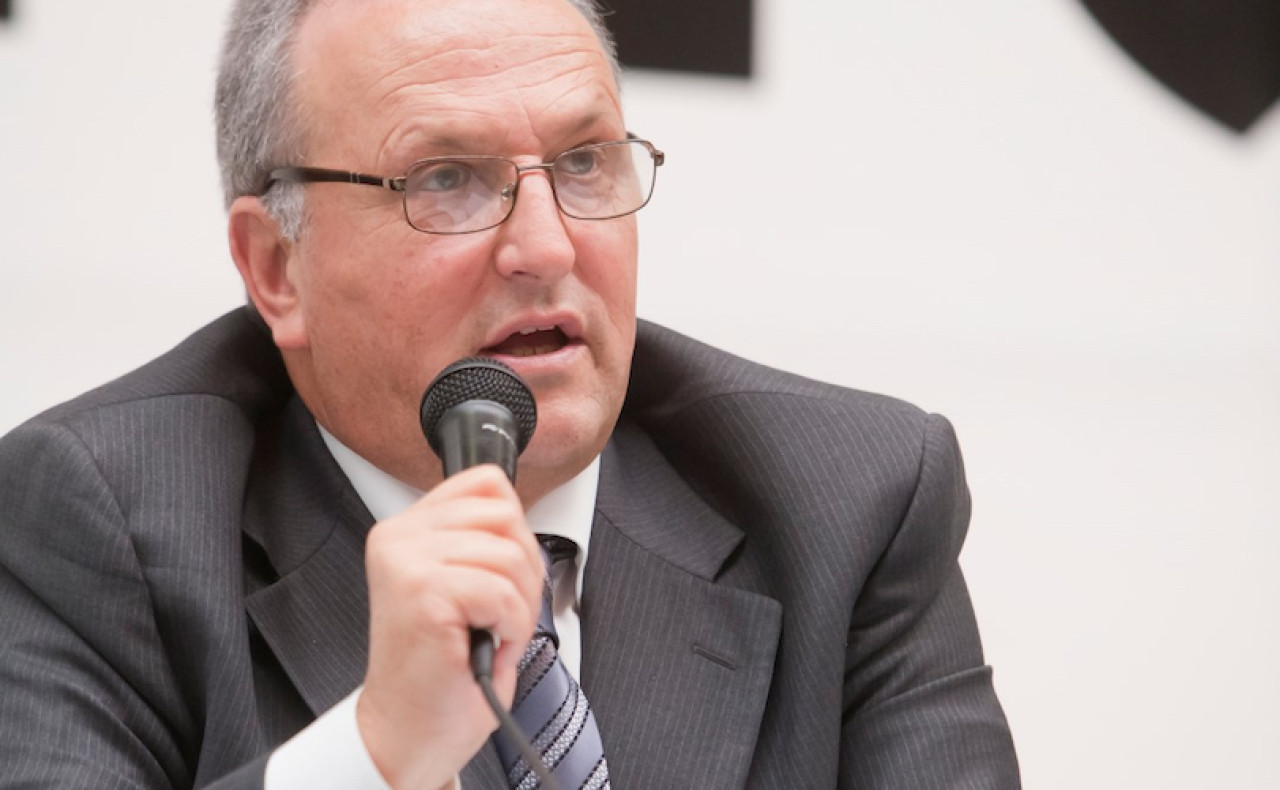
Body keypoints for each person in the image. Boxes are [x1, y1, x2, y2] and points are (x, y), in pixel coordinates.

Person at [0, 0, 1019, 787]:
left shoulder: (849, 504)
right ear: (275, 267)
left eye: (583, 162)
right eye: (445, 178)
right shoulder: (101, 525)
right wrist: (377, 754)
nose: (545, 246)